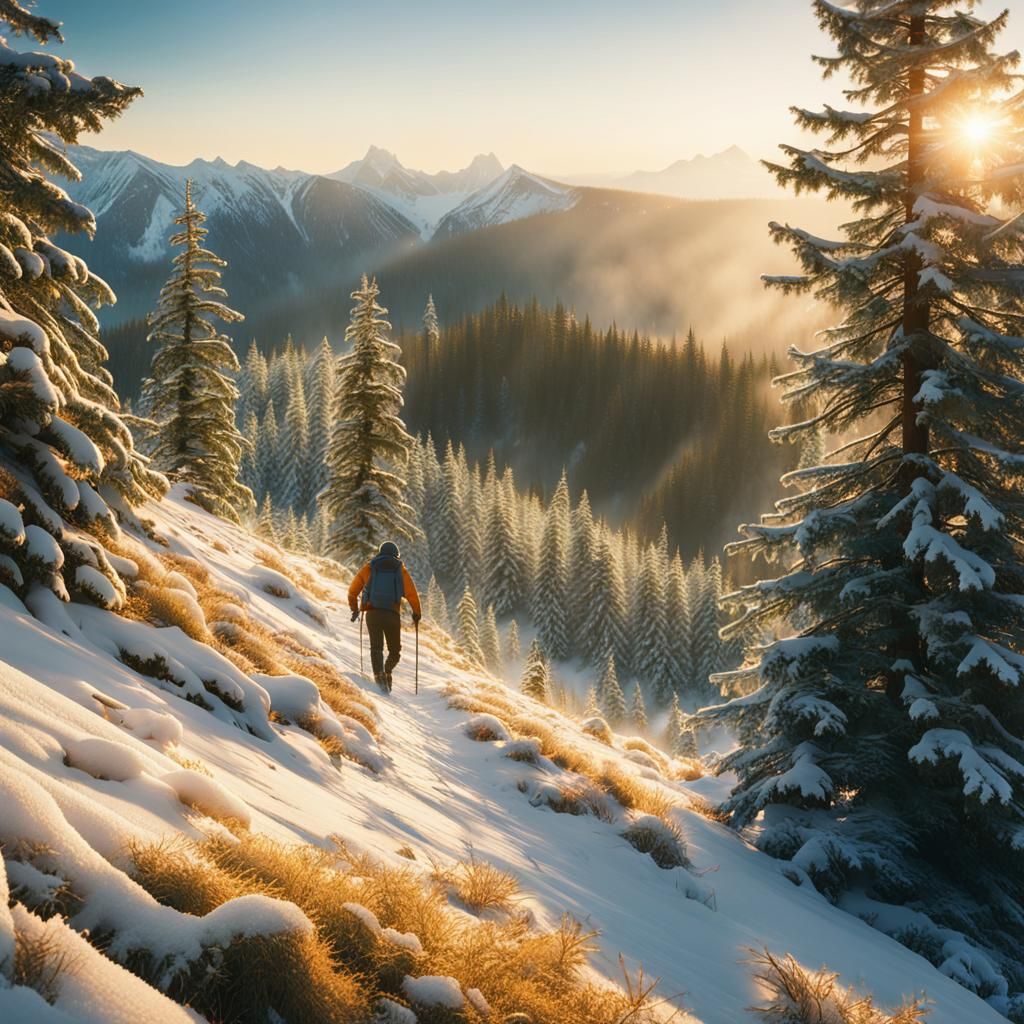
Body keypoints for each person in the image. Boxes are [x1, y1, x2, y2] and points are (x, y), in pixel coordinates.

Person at [348, 541, 421, 691]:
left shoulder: (370, 567)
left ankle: (379, 677)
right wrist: (417, 613)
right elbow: (412, 594)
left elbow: (352, 591)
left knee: (376, 648)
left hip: (373, 613)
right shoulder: (400, 570)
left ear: (380, 552)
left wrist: (355, 609)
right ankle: (387, 670)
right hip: (392, 615)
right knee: (395, 650)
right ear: (396, 555)